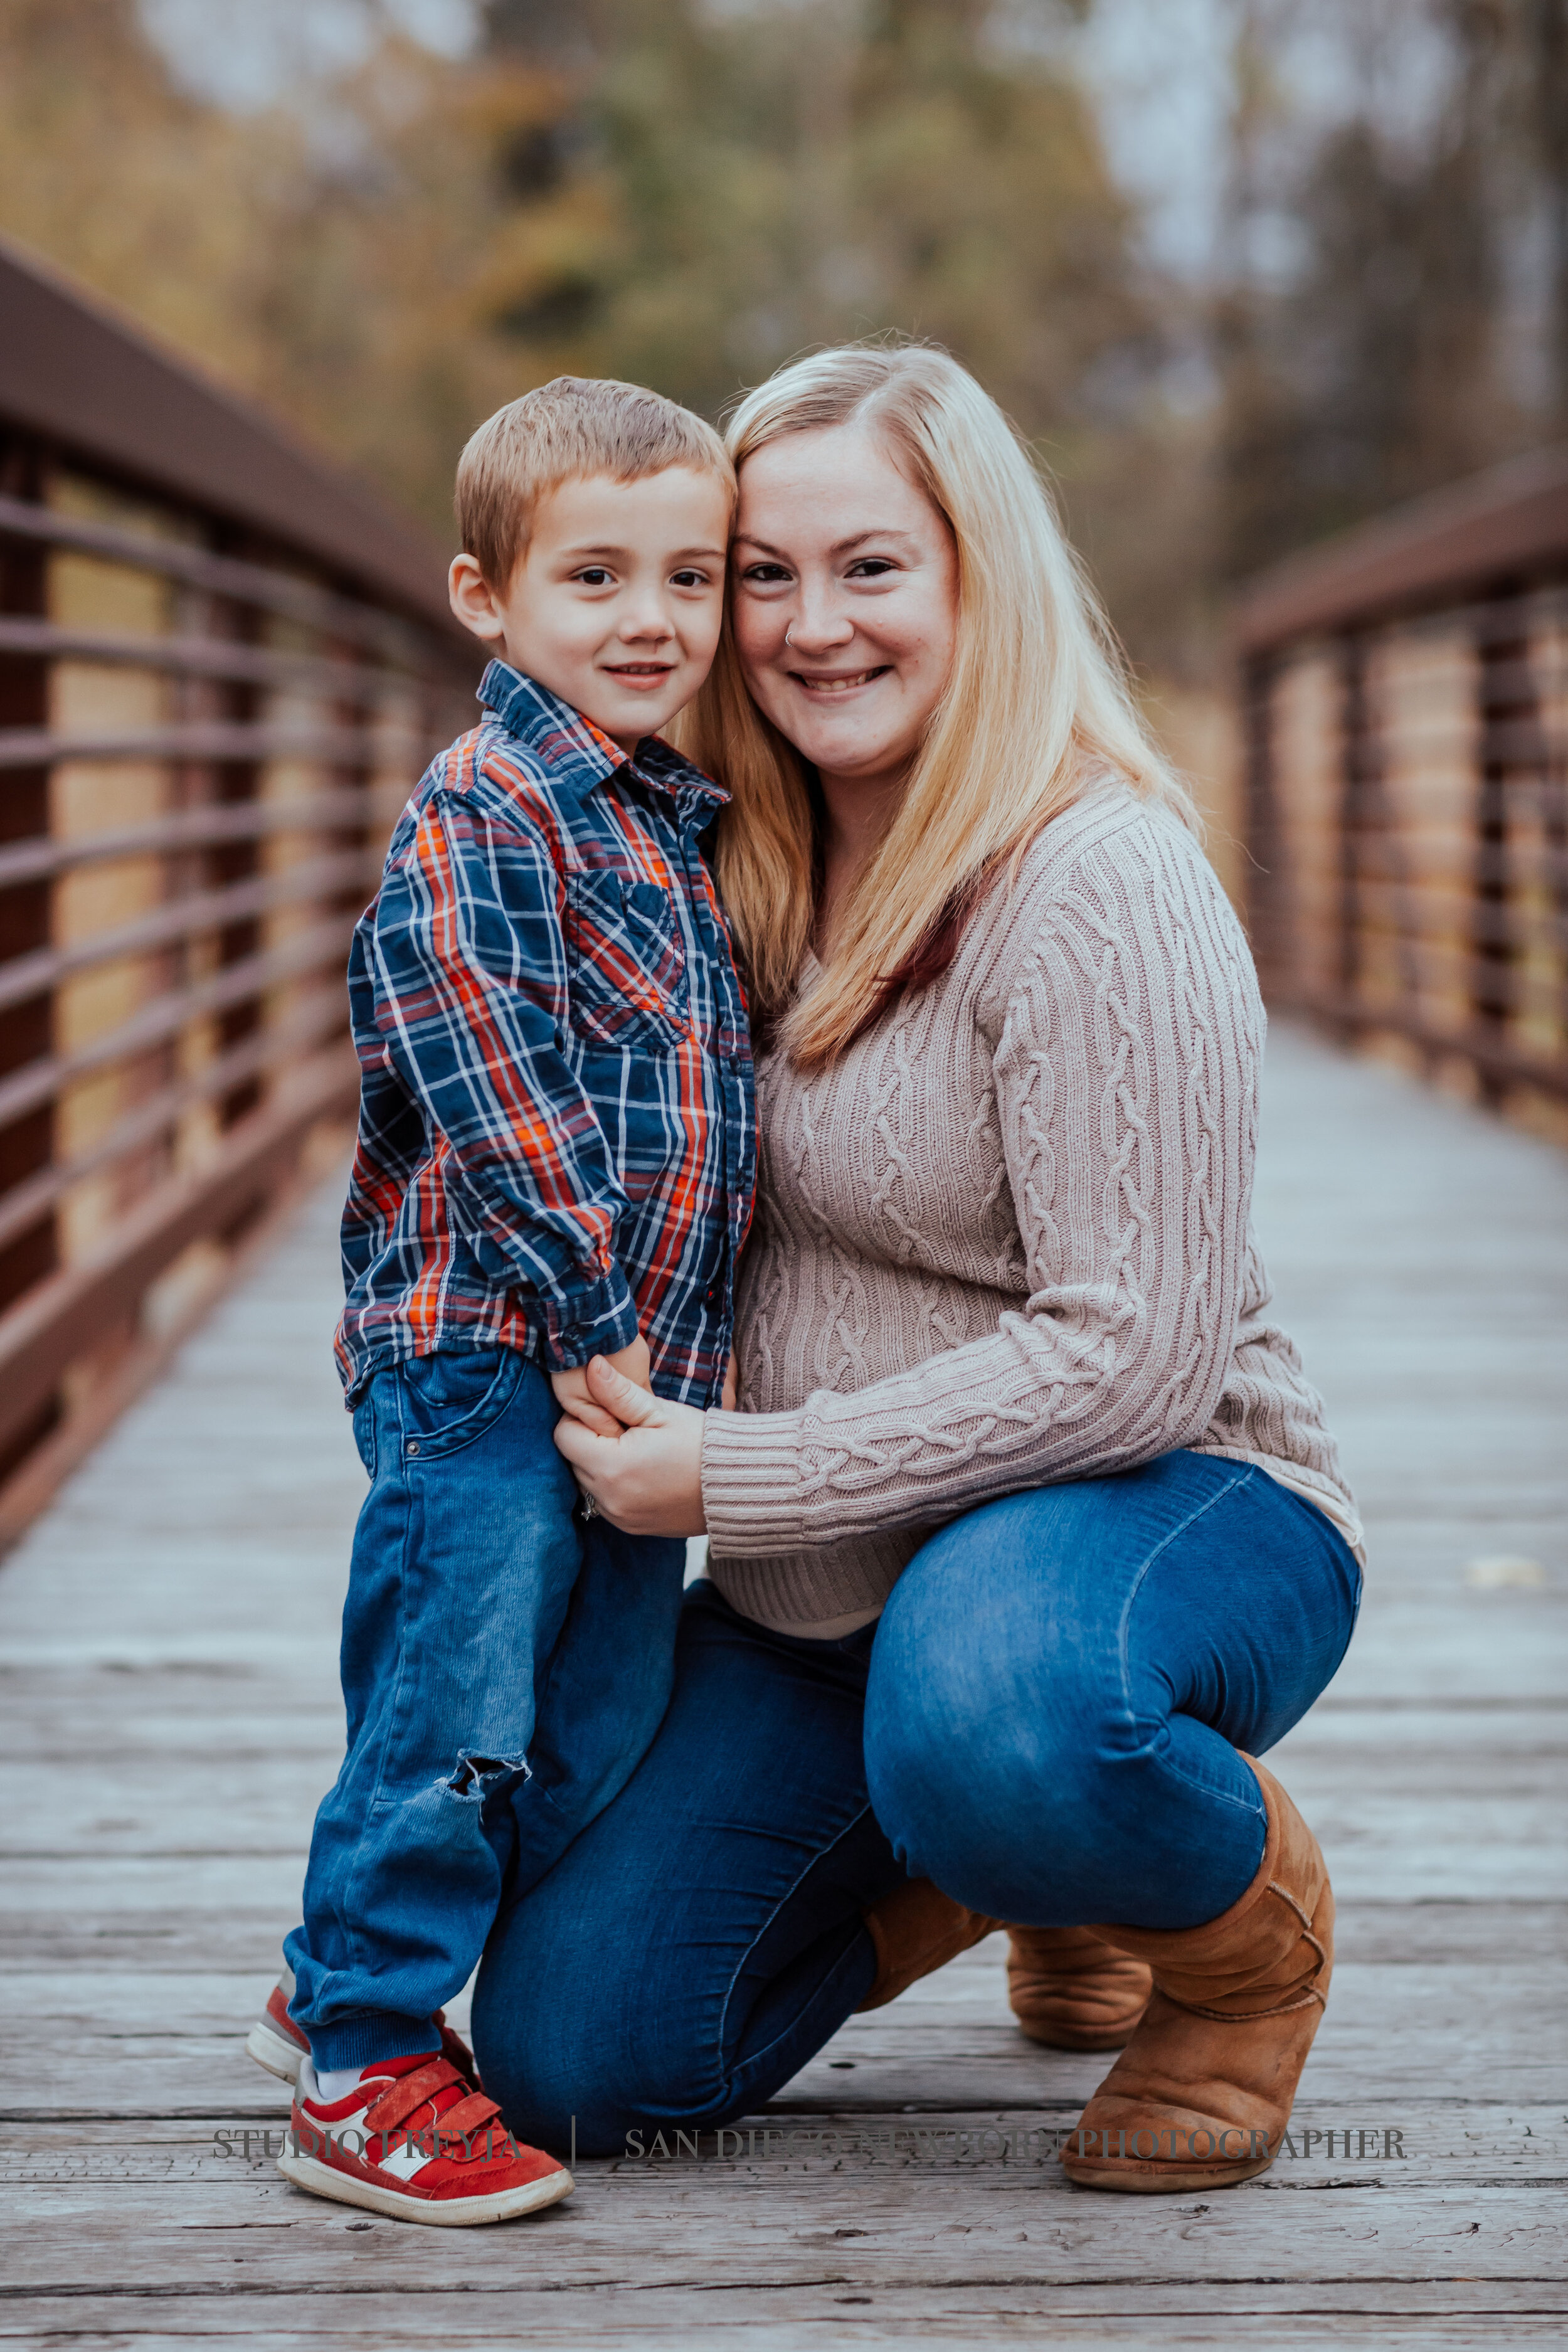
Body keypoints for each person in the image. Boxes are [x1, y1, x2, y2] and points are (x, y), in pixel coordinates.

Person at [473, 342, 1364, 2195]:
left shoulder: (1093, 877)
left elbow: (1129, 1357)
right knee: (579, 2059)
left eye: (870, 567)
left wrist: (729, 1474)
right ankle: (1012, 1860)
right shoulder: (717, 857)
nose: (810, 628)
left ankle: (1231, 1943)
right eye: (764, 574)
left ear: (977, 575)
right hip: (833, 1595)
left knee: (998, 1712)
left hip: (1160, 1506)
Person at [255, 377, 755, 2226]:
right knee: (457, 1700)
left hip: (630, 1383)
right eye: (595, 577)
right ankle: (368, 2058)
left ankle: (330, 1970)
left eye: (690, 579)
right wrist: (587, 1303)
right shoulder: (490, 809)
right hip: (487, 1357)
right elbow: (479, 1061)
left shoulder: (665, 821)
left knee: (595, 1719)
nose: (651, 620)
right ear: (485, 597)